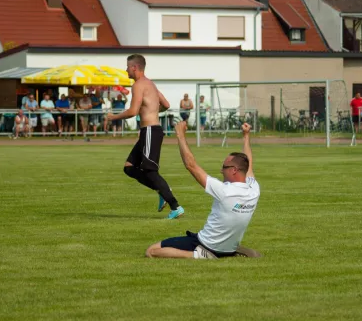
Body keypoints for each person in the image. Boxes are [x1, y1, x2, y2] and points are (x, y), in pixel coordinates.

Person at [145, 121, 260, 259]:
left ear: (234, 170)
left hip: (207, 244)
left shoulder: (225, 191)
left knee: (151, 251)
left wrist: (180, 135)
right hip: (228, 247)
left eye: (224, 167)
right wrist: (246, 136)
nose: (221, 170)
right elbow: (249, 163)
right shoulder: (254, 188)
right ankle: (230, 252)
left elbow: (191, 165)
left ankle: (200, 255)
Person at [106, 54, 184, 219]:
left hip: (150, 131)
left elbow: (133, 111)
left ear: (134, 67)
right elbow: (166, 105)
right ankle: (161, 190)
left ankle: (175, 206)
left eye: (127, 67)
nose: (126, 70)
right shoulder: (151, 84)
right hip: (148, 131)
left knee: (149, 171)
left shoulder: (139, 85)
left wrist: (113, 117)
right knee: (129, 167)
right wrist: (152, 112)